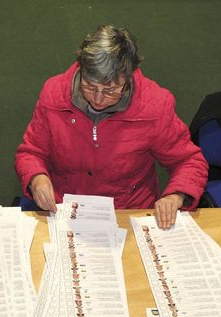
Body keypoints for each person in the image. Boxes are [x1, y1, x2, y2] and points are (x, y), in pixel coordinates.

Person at [14, 25, 208, 229]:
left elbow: (189, 161)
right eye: (89, 86)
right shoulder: (53, 95)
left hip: (126, 213)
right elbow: (30, 152)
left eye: (110, 90)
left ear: (129, 77)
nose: (98, 99)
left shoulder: (155, 106)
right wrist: (37, 178)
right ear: (81, 69)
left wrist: (176, 194)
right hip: (64, 209)